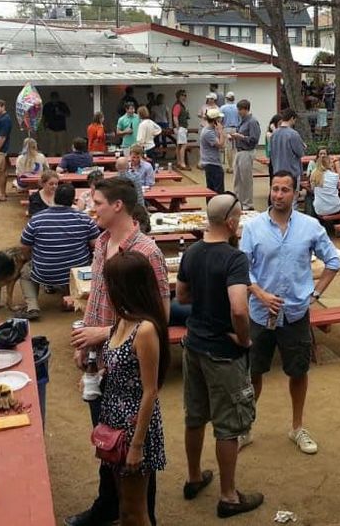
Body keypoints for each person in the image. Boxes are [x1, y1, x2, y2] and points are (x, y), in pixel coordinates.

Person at [68, 177, 169, 526]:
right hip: (99, 362)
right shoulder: (101, 242)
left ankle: (144, 516)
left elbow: (159, 319)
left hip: (127, 368)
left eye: (96, 202)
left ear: (117, 206)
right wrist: (85, 335)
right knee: (108, 444)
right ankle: (109, 506)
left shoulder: (147, 252)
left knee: (133, 452)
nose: (90, 208)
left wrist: (104, 333)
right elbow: (95, 297)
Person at [238, 171, 340, 454]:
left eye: (285, 189)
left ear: (296, 194)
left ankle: (297, 427)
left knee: (298, 371)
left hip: (295, 314)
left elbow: (333, 261)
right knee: (254, 372)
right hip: (260, 314)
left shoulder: (310, 227)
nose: (279, 194)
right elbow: (242, 268)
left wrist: (315, 295)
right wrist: (259, 293)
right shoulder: (253, 227)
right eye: (275, 189)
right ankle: (245, 428)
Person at [176, 194, 264, 518]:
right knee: (228, 424)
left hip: (194, 344)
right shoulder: (233, 258)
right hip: (223, 353)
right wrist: (243, 339)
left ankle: (194, 476)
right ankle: (228, 496)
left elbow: (181, 295)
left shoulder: (193, 251)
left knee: (195, 414)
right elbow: (239, 308)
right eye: (239, 218)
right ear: (231, 222)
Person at [93, 251, 168, 526]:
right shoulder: (121, 321)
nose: (104, 289)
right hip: (114, 424)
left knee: (136, 512)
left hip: (135, 428)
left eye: (108, 284)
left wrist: (137, 446)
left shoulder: (145, 329)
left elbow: (150, 390)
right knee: (124, 508)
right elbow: (120, 368)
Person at [20, 183, 100, 320]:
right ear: (72, 200)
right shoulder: (85, 219)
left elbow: (24, 246)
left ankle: (32, 306)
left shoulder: (37, 219)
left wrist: (32, 259)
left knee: (26, 272)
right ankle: (71, 298)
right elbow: (96, 246)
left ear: (55, 198)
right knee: (75, 267)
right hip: (76, 274)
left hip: (44, 271)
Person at [231, 100, 261, 211]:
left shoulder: (252, 122)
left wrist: (242, 137)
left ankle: (248, 203)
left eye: (240, 109)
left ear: (246, 109)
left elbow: (254, 139)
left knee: (246, 179)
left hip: (247, 152)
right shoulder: (242, 121)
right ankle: (238, 201)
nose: (238, 112)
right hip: (239, 151)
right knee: (237, 179)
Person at [268, 109, 307, 188]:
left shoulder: (274, 134)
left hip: (277, 171)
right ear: (292, 118)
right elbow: (300, 152)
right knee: (292, 197)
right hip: (291, 172)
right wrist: (303, 146)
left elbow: (271, 151)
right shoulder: (293, 134)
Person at [198, 108, 226, 194]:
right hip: (212, 163)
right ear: (215, 120)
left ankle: (211, 206)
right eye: (219, 119)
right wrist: (221, 132)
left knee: (211, 189)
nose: (221, 120)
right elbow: (220, 145)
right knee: (217, 190)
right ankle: (217, 206)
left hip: (210, 162)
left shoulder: (211, 130)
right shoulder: (208, 132)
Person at [310, 149, 340, 221]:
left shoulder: (314, 174)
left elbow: (312, 189)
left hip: (320, 210)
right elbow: (337, 187)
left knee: (310, 198)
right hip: (336, 208)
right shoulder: (335, 175)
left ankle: (313, 222)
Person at [42, 91, 71, 157]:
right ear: (51, 98)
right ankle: (51, 160)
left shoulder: (62, 105)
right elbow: (44, 116)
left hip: (61, 128)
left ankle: (64, 159)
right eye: (53, 98)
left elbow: (68, 114)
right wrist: (44, 126)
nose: (54, 99)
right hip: (51, 128)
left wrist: (60, 112)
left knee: (63, 145)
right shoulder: (47, 106)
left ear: (58, 98)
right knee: (51, 145)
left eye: (55, 97)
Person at [220, 92, 240, 173]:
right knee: (235, 149)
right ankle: (236, 166)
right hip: (236, 128)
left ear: (226, 98)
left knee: (228, 149)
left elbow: (220, 120)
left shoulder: (223, 108)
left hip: (226, 128)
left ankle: (230, 166)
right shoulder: (237, 107)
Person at [172, 89, 192, 170]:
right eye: (182, 95)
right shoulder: (177, 105)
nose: (184, 97)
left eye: (185, 95)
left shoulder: (182, 106)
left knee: (179, 145)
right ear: (178, 96)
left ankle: (179, 162)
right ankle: (182, 163)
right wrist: (178, 127)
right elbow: (175, 117)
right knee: (183, 145)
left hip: (182, 127)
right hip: (181, 127)